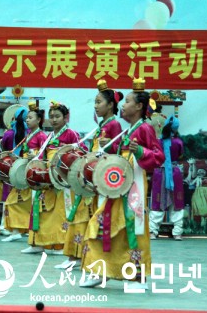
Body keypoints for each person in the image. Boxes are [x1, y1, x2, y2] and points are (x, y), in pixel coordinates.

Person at [80, 78, 165, 289]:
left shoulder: (144, 128)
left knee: (132, 228)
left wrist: (140, 151)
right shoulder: (128, 130)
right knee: (104, 224)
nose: (123, 105)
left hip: (133, 186)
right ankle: (102, 270)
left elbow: (158, 157)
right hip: (119, 185)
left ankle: (137, 277)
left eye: (127, 101)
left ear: (139, 106)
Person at [56, 80, 123, 269]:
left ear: (110, 105)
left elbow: (118, 153)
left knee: (86, 216)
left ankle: (81, 257)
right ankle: (76, 256)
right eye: (95, 102)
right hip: (91, 174)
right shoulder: (102, 125)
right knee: (80, 214)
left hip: (100, 176)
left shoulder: (114, 125)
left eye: (99, 102)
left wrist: (109, 146)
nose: (95, 106)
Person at [22, 100, 81, 255]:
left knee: (61, 211)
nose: (54, 119)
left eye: (57, 116)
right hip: (48, 176)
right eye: (51, 116)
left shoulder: (71, 134)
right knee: (41, 208)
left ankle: (61, 244)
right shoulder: (49, 136)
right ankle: (38, 242)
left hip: (63, 177)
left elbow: (81, 153)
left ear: (65, 118)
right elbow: (42, 156)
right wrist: (35, 159)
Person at [3, 102, 48, 242]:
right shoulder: (28, 135)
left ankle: (31, 235)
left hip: (34, 174)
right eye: (27, 118)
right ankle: (16, 231)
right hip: (25, 172)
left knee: (33, 205)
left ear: (38, 120)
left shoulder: (41, 135)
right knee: (12, 202)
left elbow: (45, 155)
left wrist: (35, 156)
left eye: (30, 118)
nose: (27, 120)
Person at [150, 116, 184, 240]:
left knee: (157, 201)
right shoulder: (179, 142)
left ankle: (153, 232)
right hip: (175, 173)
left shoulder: (157, 141)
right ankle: (177, 232)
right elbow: (180, 155)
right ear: (176, 128)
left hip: (160, 172)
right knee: (177, 202)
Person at [0, 109, 26, 235]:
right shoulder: (29, 133)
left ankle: (4, 226)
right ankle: (22, 227)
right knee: (23, 198)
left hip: (9, 167)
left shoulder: (8, 133)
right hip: (23, 168)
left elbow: (3, 148)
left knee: (8, 197)